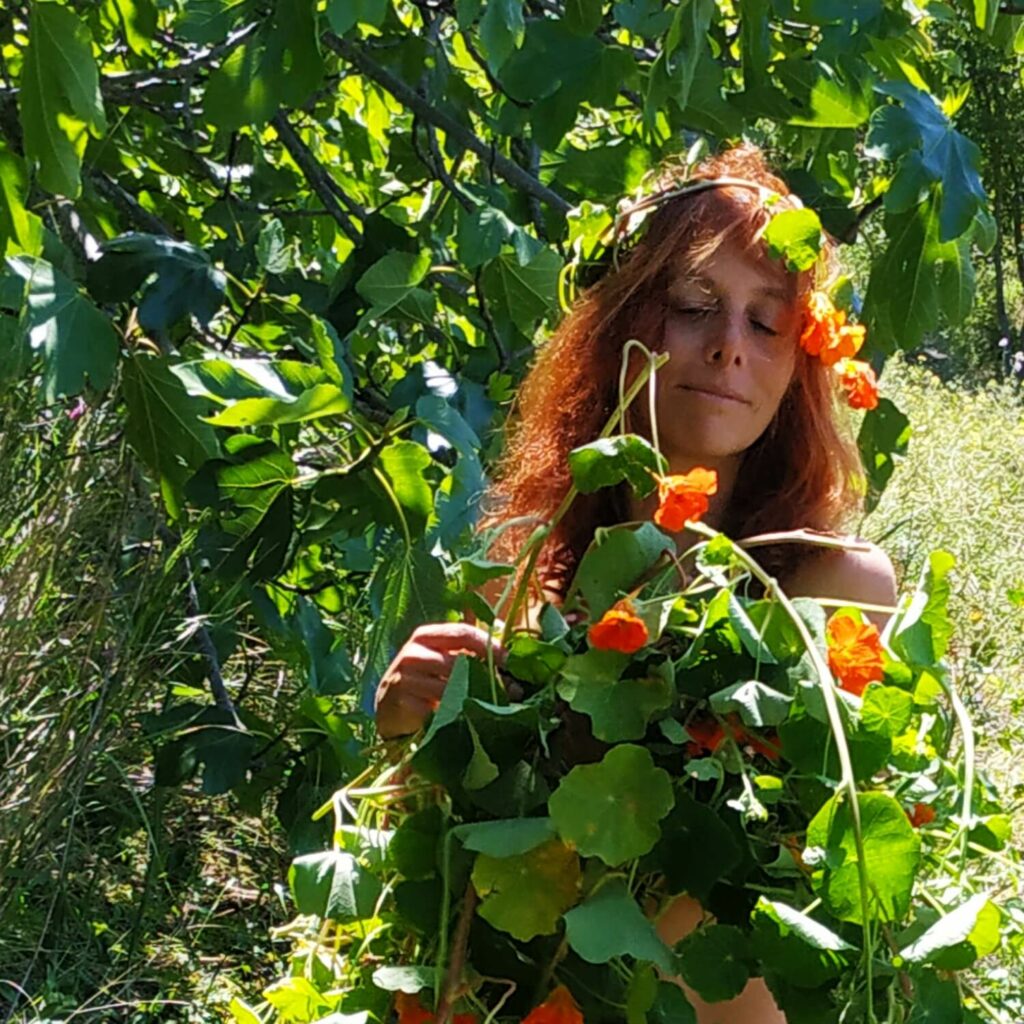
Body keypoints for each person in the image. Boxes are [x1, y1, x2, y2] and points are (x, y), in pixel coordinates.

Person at [374, 143, 898, 1022]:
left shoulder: (831, 592)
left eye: (768, 324)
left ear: (797, 365)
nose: (730, 347)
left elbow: (774, 867)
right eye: (696, 304)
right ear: (619, 323)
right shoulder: (518, 574)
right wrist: (405, 731)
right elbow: (452, 855)